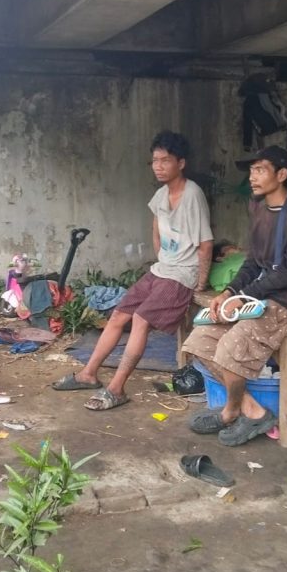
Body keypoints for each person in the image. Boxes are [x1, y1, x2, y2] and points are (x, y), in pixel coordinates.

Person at [52, 131, 213, 410]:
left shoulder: (193, 195)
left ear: (181, 163)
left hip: (181, 273)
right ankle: (88, 374)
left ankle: (116, 388)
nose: (159, 166)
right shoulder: (161, 194)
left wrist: (199, 280)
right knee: (118, 315)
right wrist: (161, 257)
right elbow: (156, 229)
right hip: (162, 269)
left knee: (139, 320)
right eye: (155, 161)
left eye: (165, 160)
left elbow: (206, 243)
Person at [183, 146, 287, 446]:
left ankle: (231, 411)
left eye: (260, 170)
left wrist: (243, 295)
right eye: (251, 171)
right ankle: (254, 411)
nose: (252, 177)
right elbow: (253, 261)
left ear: (282, 174)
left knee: (231, 346)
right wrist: (229, 292)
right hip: (260, 293)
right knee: (200, 339)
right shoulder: (258, 207)